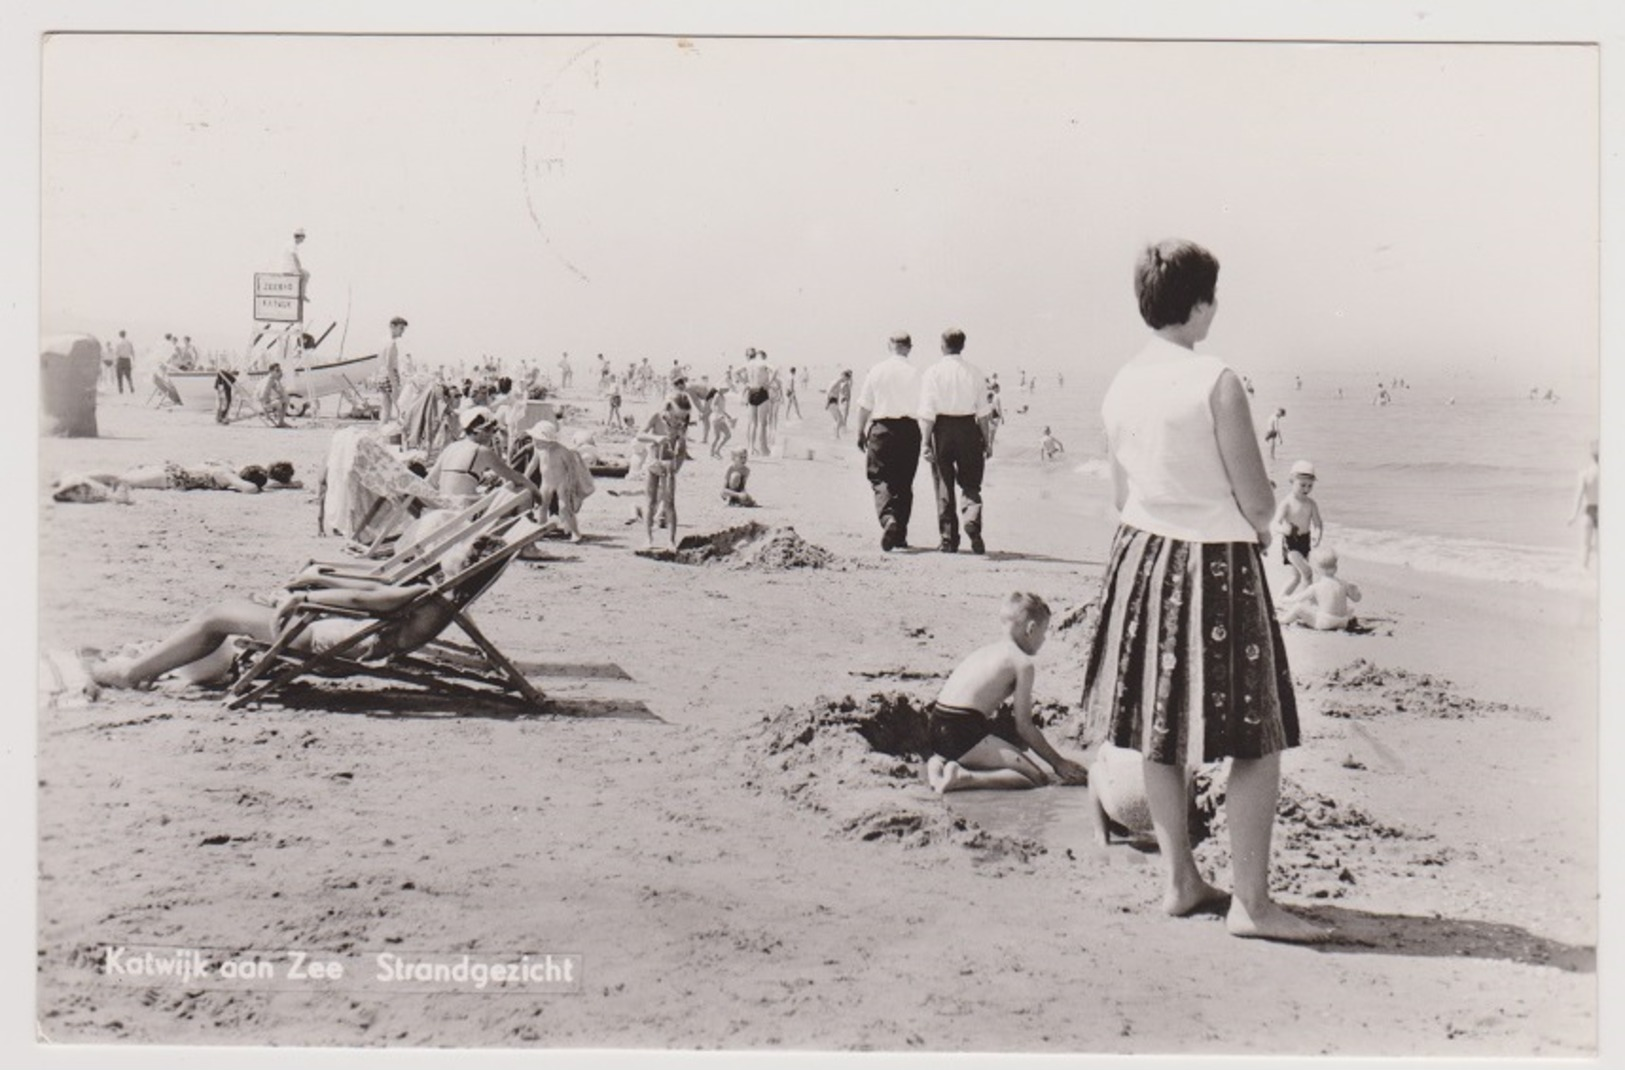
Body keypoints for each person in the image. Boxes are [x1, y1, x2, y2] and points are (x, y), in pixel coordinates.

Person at [1081, 238, 1324, 942]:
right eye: (1211, 297)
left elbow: (1121, 490)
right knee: (1256, 736)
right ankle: (1250, 903)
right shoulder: (1215, 378)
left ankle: (1180, 881)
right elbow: (1255, 500)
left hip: (1140, 555)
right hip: (1212, 562)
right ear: (1198, 303)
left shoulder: (1120, 381)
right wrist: (1264, 531)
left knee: (1162, 731)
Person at [85, 533, 502, 691]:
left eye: (458, 553)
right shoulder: (437, 595)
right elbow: (376, 592)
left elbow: (368, 601)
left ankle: (132, 674)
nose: (447, 554)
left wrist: (305, 599)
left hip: (332, 638)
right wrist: (319, 580)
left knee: (216, 617)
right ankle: (149, 667)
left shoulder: (427, 593)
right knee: (223, 613)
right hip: (345, 632)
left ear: (462, 565)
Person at [925, 593, 1087, 793]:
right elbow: (1024, 726)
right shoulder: (1022, 663)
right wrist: (1058, 762)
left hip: (936, 728)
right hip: (962, 732)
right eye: (1044, 632)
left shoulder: (985, 651)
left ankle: (937, 767)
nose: (1044, 639)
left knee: (961, 750)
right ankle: (966, 777)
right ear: (1031, 629)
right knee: (1036, 779)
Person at [917, 328, 992, 554]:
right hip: (969, 427)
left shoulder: (933, 372)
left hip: (942, 428)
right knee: (971, 482)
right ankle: (971, 516)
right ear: (963, 345)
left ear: (942, 345)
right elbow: (984, 413)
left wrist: (925, 442)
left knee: (943, 483)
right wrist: (987, 441)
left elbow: (928, 412)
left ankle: (949, 539)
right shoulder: (975, 372)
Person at [854, 331, 923, 551]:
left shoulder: (877, 369)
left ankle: (888, 518)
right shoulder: (917, 372)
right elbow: (926, 407)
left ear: (889, 346)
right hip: (910, 429)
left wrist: (859, 431)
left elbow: (864, 404)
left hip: (882, 428)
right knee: (904, 483)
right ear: (909, 347)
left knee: (879, 477)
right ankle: (900, 535)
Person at [429, 406, 540, 503]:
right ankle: (528, 524)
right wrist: (536, 491)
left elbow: (430, 480)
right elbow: (514, 476)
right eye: (492, 430)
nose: (492, 435)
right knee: (523, 492)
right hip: (465, 507)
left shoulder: (451, 447)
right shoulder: (481, 450)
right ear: (480, 431)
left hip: (445, 503)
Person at [54, 461, 270, 499]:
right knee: (122, 479)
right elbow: (248, 489)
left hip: (171, 472)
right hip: (171, 478)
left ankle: (78, 476)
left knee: (123, 477)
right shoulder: (227, 475)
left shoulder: (226, 467)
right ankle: (76, 476)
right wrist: (260, 488)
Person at [640, 395, 692, 548]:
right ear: (668, 409)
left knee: (670, 503)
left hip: (669, 466)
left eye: (683, 417)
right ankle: (648, 539)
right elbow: (639, 435)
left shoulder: (681, 425)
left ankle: (671, 541)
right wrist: (655, 438)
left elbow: (682, 451)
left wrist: (677, 467)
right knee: (650, 502)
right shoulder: (656, 417)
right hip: (653, 462)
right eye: (676, 416)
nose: (679, 420)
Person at [1270, 460, 1323, 599]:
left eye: (1310, 486)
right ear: (1291, 481)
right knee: (1307, 572)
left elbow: (1318, 523)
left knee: (1297, 577)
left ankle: (1282, 599)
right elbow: (1275, 523)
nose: (1306, 489)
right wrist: (1283, 529)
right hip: (1291, 542)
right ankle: (1307, 601)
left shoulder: (1311, 504)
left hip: (1305, 540)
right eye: (1302, 485)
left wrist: (1317, 535)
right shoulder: (1287, 503)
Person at [1278, 546, 1362, 631]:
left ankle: (1283, 620)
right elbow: (1357, 598)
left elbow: (1299, 598)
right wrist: (1356, 589)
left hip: (1324, 623)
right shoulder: (1344, 583)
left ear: (1316, 570)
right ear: (1336, 567)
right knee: (1349, 608)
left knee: (1298, 608)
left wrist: (1285, 599)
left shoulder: (1316, 587)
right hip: (1343, 622)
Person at [1568, 439, 1600, 569]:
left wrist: (1573, 516)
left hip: (1588, 510)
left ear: (1591, 455)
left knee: (1585, 546)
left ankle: (1583, 574)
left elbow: (1579, 496)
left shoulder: (1584, 473)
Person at [743, 350, 777, 456]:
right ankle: (763, 449)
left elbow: (735, 372)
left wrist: (746, 383)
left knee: (753, 423)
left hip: (752, 391)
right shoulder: (763, 363)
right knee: (762, 423)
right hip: (761, 390)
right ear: (762, 356)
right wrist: (769, 383)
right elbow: (775, 369)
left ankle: (751, 448)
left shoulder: (749, 364)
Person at [379, 317, 408, 423]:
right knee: (400, 408)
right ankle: (404, 435)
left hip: (382, 376)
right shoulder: (391, 344)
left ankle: (381, 433)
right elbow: (389, 366)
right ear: (392, 327)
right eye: (401, 328)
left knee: (385, 410)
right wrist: (395, 385)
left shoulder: (383, 342)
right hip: (390, 376)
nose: (402, 332)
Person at [825, 370, 853, 438]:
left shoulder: (839, 383)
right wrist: (827, 402)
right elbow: (829, 391)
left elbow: (835, 392)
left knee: (841, 421)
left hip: (834, 402)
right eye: (847, 379)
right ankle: (836, 435)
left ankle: (835, 432)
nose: (847, 381)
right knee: (839, 420)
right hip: (831, 401)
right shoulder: (837, 381)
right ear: (844, 376)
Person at [113, 330, 135, 394]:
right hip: (127, 359)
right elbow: (132, 352)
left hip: (120, 359)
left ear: (119, 335)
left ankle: (121, 389)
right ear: (125, 334)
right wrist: (133, 360)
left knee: (119, 376)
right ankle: (131, 386)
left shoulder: (118, 343)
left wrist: (115, 362)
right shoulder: (129, 342)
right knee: (128, 375)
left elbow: (116, 353)